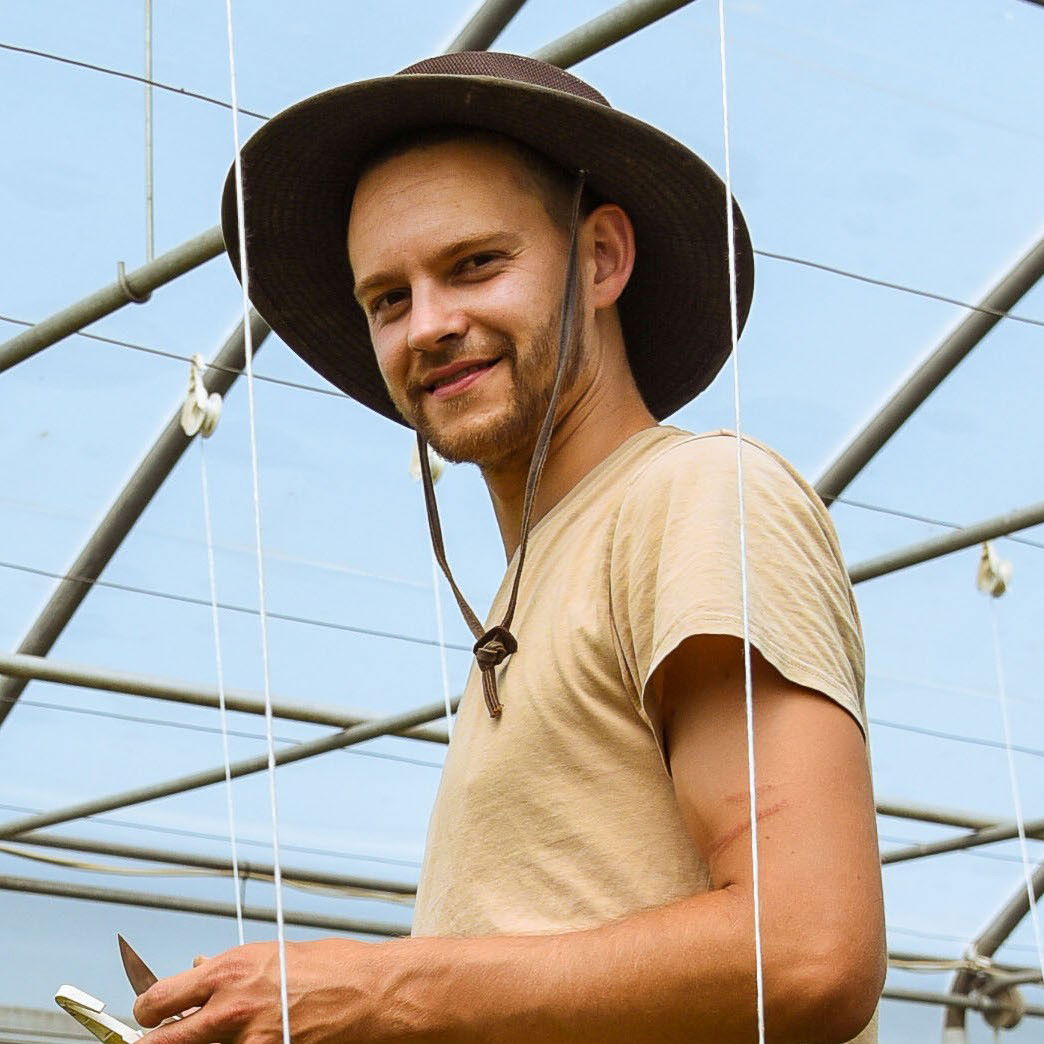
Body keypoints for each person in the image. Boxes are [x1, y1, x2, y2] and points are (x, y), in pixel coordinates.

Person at [135, 52, 885, 1043]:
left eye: (476, 264)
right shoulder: (536, 582)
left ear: (602, 258)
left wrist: (377, 991)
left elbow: (808, 951)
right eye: (387, 299)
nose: (428, 325)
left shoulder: (697, 494)